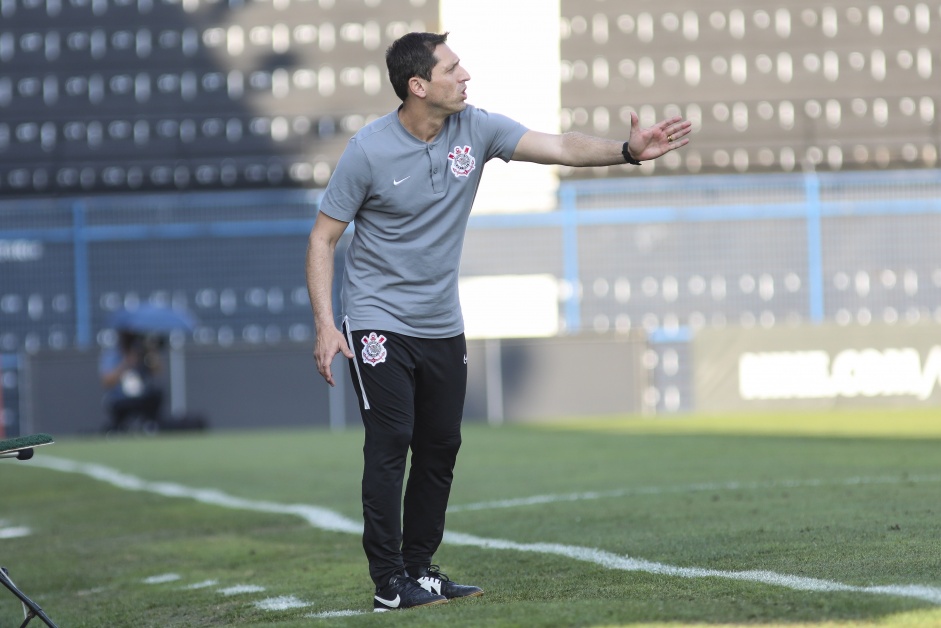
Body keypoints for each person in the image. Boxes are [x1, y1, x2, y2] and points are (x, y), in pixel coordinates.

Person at [305, 31, 691, 612]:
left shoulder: (477, 128)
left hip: (441, 322)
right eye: (453, 69)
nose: (466, 76)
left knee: (441, 445)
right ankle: (388, 582)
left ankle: (420, 569)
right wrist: (326, 324)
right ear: (418, 86)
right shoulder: (367, 151)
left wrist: (629, 151)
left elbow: (559, 145)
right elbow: (323, 237)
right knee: (392, 443)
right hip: (378, 321)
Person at [99, 330, 165, 433]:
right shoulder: (113, 354)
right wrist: (125, 364)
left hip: (142, 395)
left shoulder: (142, 353)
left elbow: (157, 372)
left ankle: (151, 425)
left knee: (158, 394)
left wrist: (151, 352)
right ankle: (117, 428)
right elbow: (107, 381)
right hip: (120, 397)